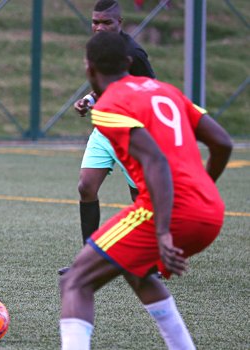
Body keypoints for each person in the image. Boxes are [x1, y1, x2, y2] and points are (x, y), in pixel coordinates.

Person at [59, 31, 232, 349]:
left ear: (89, 70)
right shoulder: (168, 92)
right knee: (134, 267)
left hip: (168, 211)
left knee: (74, 282)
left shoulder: (109, 105)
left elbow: (155, 161)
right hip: (211, 210)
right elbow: (222, 142)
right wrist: (204, 188)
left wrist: (163, 231)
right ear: (128, 62)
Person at [59, 0, 157, 276]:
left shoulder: (134, 53)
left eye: (107, 23)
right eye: (95, 22)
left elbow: (151, 89)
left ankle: (150, 259)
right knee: (86, 187)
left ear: (120, 24)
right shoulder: (95, 49)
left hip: (131, 133)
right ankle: (89, 259)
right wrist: (90, 99)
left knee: (141, 197)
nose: (99, 28)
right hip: (104, 129)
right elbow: (108, 85)